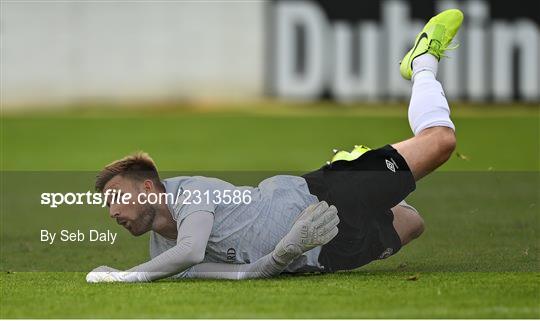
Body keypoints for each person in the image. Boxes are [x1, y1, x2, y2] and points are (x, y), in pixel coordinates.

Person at [87, 9, 463, 283]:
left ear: (150, 189)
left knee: (440, 142)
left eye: (117, 196)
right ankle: (357, 161)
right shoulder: (162, 256)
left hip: (322, 197)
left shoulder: (189, 194)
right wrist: (287, 250)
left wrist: (124, 277)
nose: (111, 211)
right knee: (413, 223)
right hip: (326, 253)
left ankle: (423, 62)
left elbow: (193, 250)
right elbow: (246, 274)